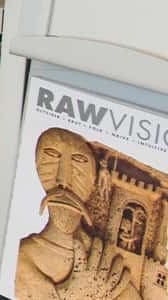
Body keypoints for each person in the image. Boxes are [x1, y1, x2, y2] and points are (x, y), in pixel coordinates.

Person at [15, 126, 142, 300]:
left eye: (79, 161)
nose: (63, 180)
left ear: (95, 179)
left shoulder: (104, 260)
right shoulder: (24, 256)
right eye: (51, 156)